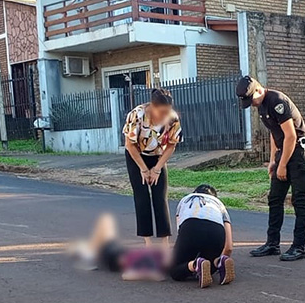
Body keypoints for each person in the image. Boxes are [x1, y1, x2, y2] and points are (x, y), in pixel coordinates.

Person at [237, 76, 305, 262]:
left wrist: (282, 165)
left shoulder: (277, 101)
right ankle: (272, 243)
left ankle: (299, 246)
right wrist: (273, 160)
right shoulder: (262, 105)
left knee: (299, 200)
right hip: (284, 151)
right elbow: (274, 132)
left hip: (299, 152)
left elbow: (290, 136)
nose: (251, 104)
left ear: (258, 90)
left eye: (251, 100)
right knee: (275, 198)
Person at [123, 88, 181, 246]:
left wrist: (157, 169)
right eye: (161, 112)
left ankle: (164, 242)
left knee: (160, 196)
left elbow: (172, 145)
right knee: (142, 197)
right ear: (152, 107)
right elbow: (129, 144)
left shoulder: (172, 118)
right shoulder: (137, 114)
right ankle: (148, 242)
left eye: (167, 112)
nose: (164, 116)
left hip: (158, 156)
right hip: (136, 155)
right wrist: (143, 169)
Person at [170, 184, 235, 288]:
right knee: (209, 267)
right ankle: (219, 262)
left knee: (175, 271)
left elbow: (180, 230)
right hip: (216, 230)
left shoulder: (185, 200)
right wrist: (224, 256)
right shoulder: (219, 204)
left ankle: (195, 264)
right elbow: (229, 247)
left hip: (191, 227)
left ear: (194, 192)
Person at [72, 213, 170, 281]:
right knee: (105, 226)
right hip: (120, 251)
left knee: (105, 224)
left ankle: (87, 255)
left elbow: (126, 275)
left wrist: (150, 274)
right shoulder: (159, 259)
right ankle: (85, 251)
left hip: (113, 257)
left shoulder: (152, 268)